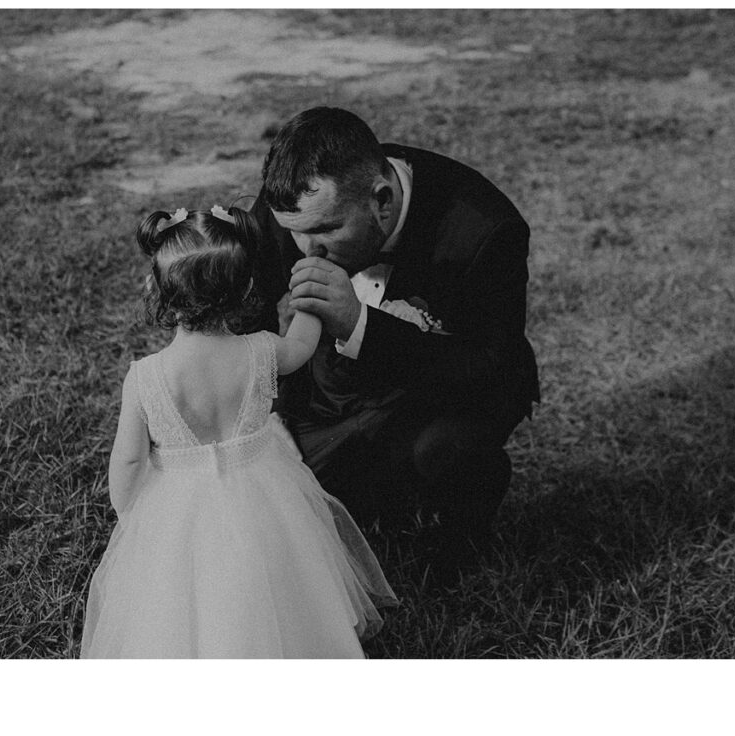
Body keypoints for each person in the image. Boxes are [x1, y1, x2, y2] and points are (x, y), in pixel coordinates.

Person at [80, 205, 397, 658]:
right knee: (276, 581)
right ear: (246, 286)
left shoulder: (146, 377)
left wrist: (128, 508)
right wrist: (310, 300)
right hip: (263, 493)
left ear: (158, 290)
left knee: (183, 598)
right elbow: (302, 347)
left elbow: (128, 458)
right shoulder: (262, 351)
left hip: (179, 511)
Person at [249, 107, 540, 581]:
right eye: (293, 233)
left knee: (440, 450)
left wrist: (360, 322)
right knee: (287, 493)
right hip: (341, 381)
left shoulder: (485, 231)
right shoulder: (297, 199)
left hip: (456, 387)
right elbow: (248, 306)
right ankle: (373, 484)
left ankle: (467, 504)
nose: (306, 251)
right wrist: (268, 410)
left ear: (381, 201)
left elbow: (490, 365)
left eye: (325, 231)